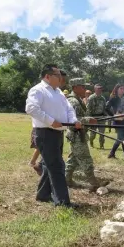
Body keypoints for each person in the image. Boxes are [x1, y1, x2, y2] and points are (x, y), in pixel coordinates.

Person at [25, 65, 81, 208]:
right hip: (45, 133)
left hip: (57, 133)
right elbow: (31, 108)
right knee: (57, 167)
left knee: (50, 164)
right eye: (57, 75)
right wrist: (51, 121)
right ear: (47, 76)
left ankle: (43, 195)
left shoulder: (59, 92)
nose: (61, 78)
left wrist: (73, 121)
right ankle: (62, 203)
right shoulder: (38, 90)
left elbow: (68, 108)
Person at [65, 78, 105, 189]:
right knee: (86, 159)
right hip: (76, 134)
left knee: (73, 159)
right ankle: (94, 184)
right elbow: (74, 119)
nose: (85, 89)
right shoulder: (73, 101)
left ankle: (66, 180)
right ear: (75, 87)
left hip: (78, 134)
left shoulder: (77, 99)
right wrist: (88, 120)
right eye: (82, 86)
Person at [106, 84, 124, 162]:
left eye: (123, 89)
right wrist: (113, 115)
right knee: (123, 138)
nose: (122, 90)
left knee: (119, 138)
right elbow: (106, 108)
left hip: (123, 121)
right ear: (117, 89)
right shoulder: (113, 98)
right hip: (117, 122)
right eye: (121, 88)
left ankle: (112, 153)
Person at [86, 84, 108, 149]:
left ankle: (101, 145)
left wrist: (105, 115)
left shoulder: (103, 98)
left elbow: (104, 108)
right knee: (93, 134)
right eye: (98, 89)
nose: (99, 90)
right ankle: (91, 142)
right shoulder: (91, 98)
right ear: (95, 89)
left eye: (100, 89)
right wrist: (89, 119)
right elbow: (88, 109)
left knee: (102, 133)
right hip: (93, 117)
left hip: (101, 117)